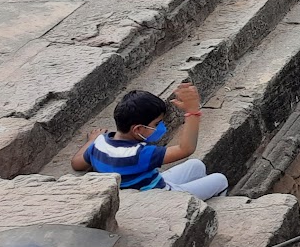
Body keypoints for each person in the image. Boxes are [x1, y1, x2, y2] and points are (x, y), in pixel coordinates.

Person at [70, 84, 227, 199]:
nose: (160, 127)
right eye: (156, 124)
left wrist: (91, 140)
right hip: (162, 196)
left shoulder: (100, 143)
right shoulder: (139, 154)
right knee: (220, 180)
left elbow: (77, 163)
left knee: (197, 165)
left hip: (144, 185)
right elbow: (186, 148)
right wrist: (192, 112)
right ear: (138, 129)